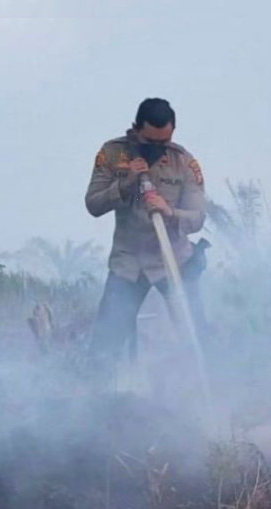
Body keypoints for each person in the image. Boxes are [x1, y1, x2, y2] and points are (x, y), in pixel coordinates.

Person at [85, 98, 207, 364]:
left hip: (174, 260)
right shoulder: (113, 154)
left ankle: (206, 396)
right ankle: (98, 398)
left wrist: (170, 212)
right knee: (105, 346)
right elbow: (93, 204)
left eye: (163, 142)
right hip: (128, 264)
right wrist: (126, 183)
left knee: (197, 338)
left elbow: (197, 218)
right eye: (150, 143)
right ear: (136, 129)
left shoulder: (184, 162)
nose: (157, 149)